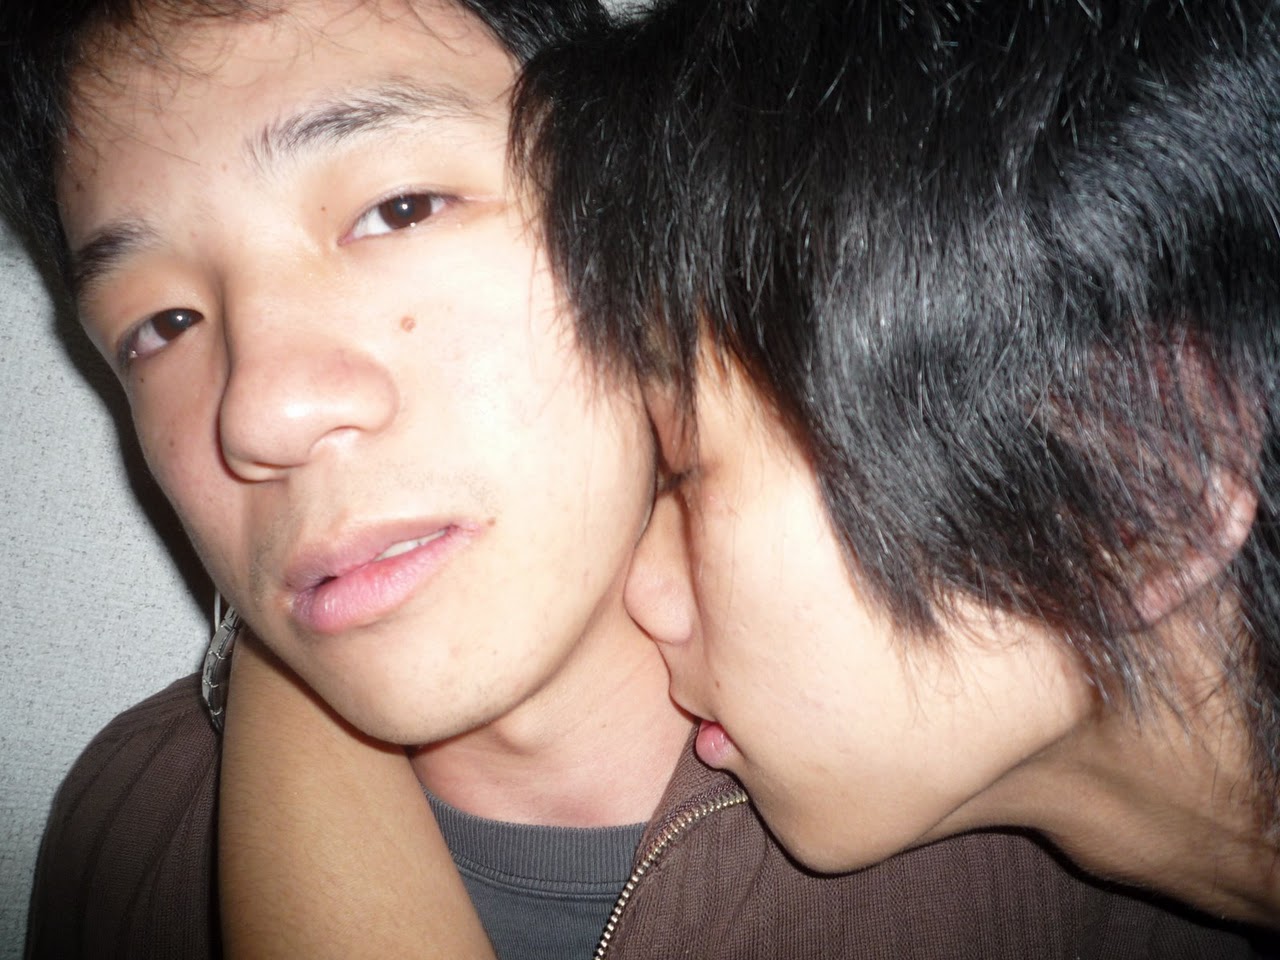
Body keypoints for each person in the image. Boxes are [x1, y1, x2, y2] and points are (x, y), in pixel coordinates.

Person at [0, 1, 1269, 959]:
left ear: (633, 238)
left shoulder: (1011, 780)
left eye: (399, 209)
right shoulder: (127, 837)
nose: (259, 413)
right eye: (160, 325)